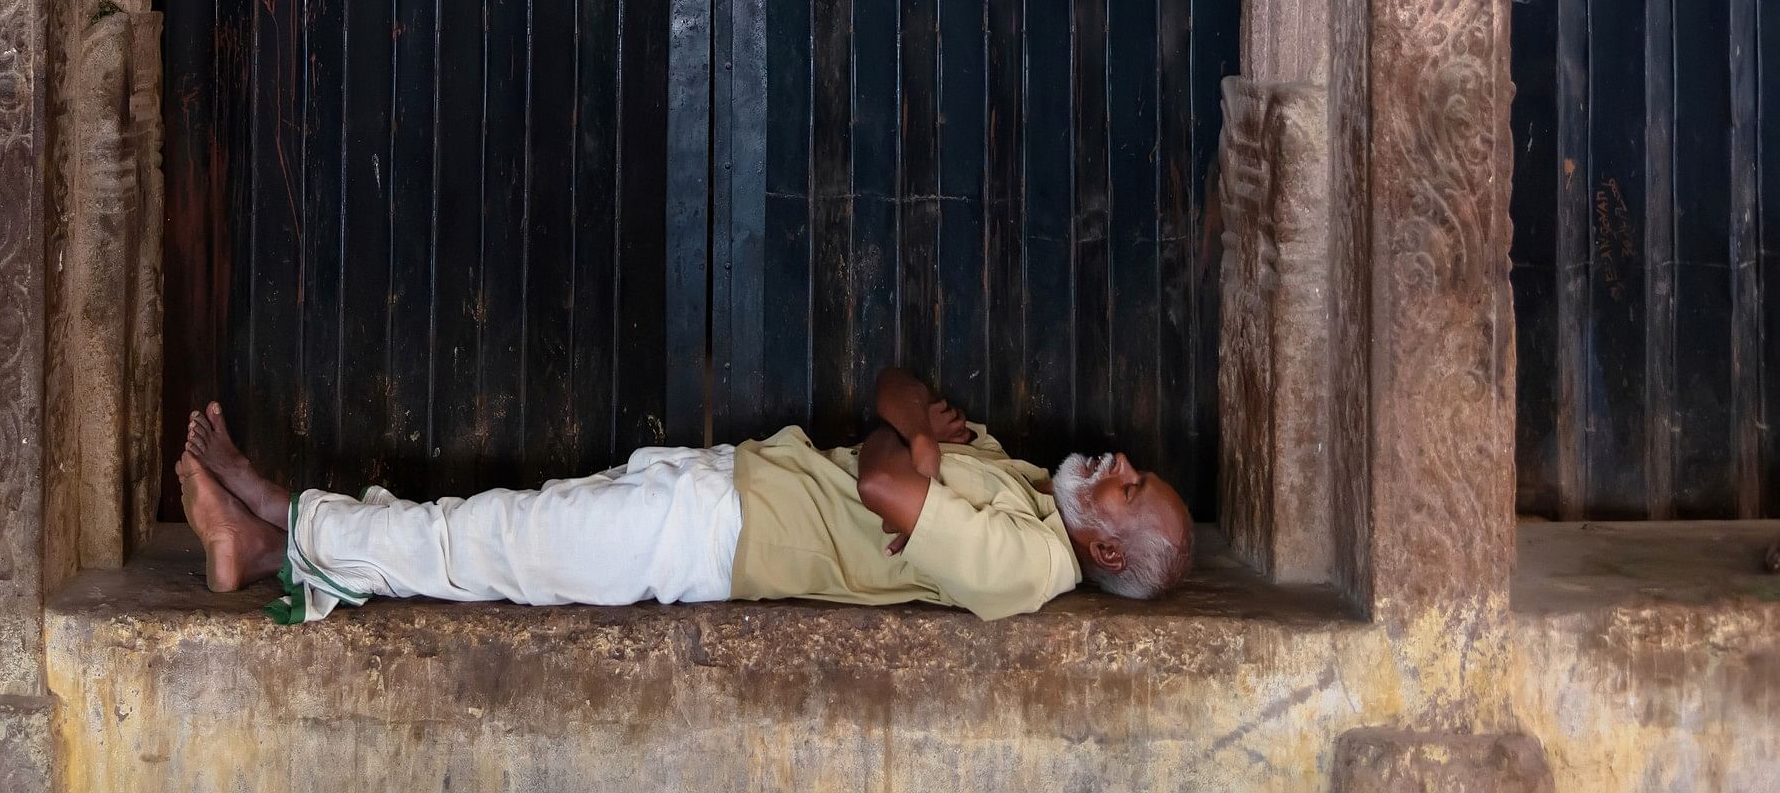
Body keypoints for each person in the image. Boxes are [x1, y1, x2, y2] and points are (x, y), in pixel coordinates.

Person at [176, 368, 1194, 623]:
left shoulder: (1024, 561)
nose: (1111, 462)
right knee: (497, 529)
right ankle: (263, 556)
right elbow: (891, 390)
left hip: (702, 541)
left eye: (1125, 485)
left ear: (1105, 551)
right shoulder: (1022, 484)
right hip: (710, 486)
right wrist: (916, 434)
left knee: (486, 540)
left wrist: (911, 450)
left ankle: (276, 504)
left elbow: (880, 467)